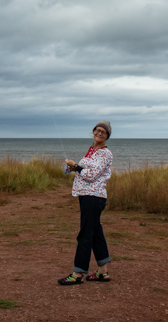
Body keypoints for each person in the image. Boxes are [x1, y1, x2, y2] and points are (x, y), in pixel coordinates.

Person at [58, 120, 113, 285]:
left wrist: (76, 165)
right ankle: (103, 272)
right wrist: (74, 168)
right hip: (86, 196)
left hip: (93, 197)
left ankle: (78, 273)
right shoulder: (91, 151)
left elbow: (91, 175)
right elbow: (84, 170)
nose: (99, 133)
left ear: (107, 136)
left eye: (103, 132)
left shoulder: (105, 153)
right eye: (97, 130)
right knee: (95, 233)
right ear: (93, 131)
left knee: (85, 235)